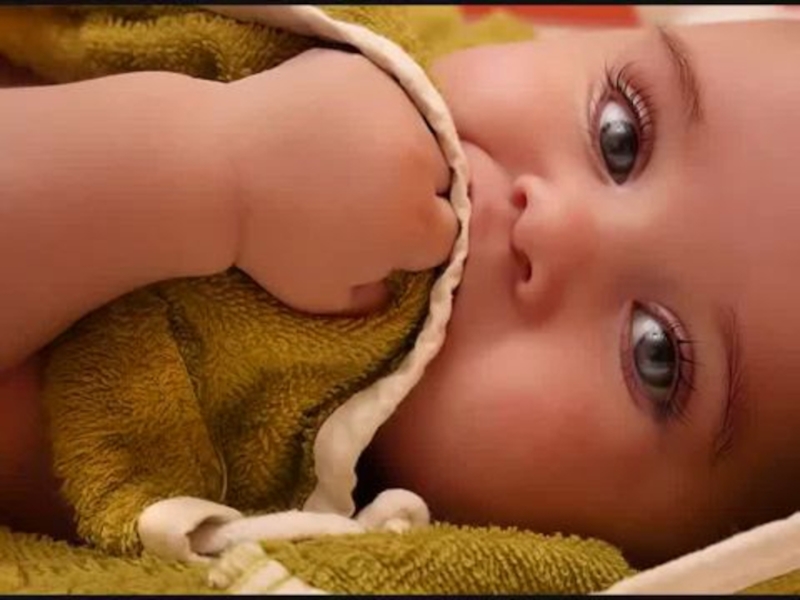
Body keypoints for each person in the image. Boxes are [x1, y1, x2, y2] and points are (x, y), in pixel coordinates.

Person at [2, 18, 800, 568]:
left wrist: (205, 182)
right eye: (620, 136)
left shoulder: (232, 493)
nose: (557, 226)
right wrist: (209, 154)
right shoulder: (356, 41)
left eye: (655, 354)